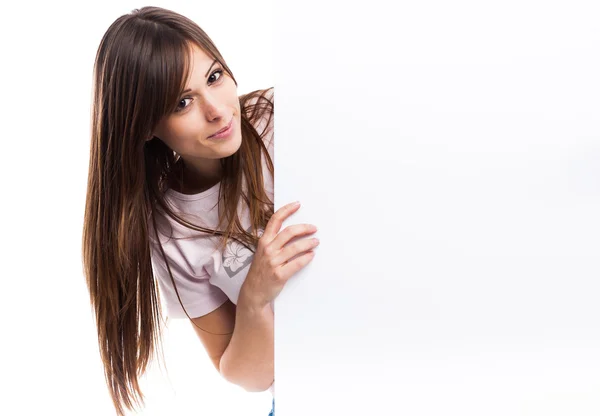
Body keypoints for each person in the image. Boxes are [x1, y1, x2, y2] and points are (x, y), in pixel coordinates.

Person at [81, 6, 319, 416]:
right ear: (144, 127)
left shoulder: (283, 118)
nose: (217, 110)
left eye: (214, 77)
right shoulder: (171, 232)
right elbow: (250, 376)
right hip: (309, 388)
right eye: (182, 102)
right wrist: (255, 298)